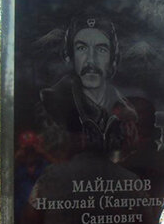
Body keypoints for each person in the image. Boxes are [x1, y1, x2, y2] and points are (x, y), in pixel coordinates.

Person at [39, 15, 138, 156]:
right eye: (81, 48)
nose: (91, 60)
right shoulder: (50, 105)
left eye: (101, 49)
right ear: (70, 56)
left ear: (113, 59)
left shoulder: (127, 112)